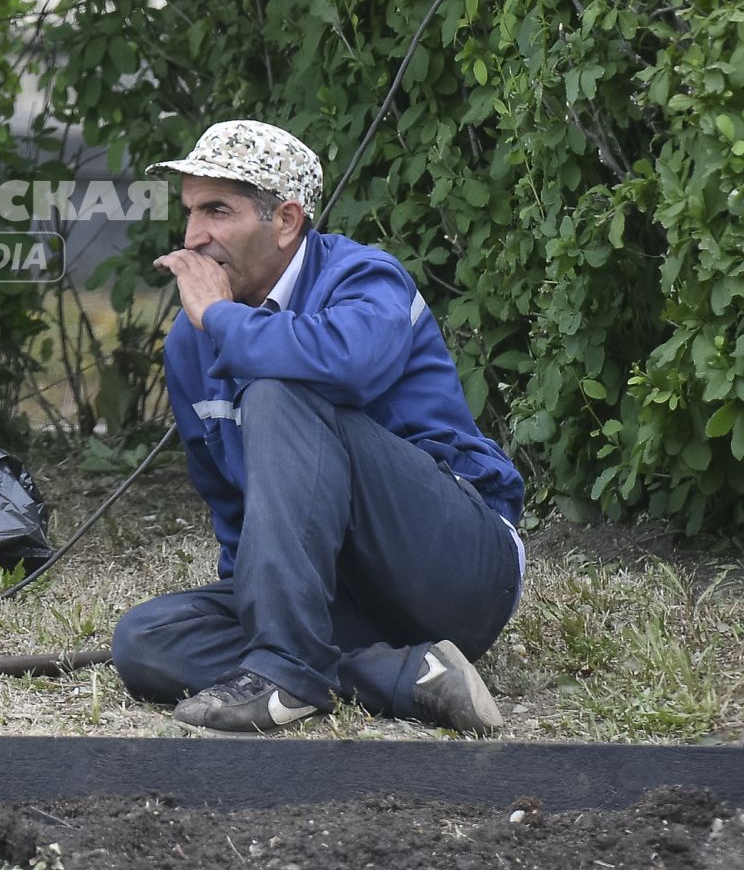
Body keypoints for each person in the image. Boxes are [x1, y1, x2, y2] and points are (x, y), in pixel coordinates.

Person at [111, 119, 524, 735]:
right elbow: (232, 508)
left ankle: (289, 670)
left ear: (286, 220)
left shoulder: (365, 277)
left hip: (455, 569)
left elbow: (348, 366)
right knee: (144, 639)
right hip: (337, 599)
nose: (194, 237)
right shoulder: (190, 343)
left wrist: (222, 319)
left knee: (279, 386)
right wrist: (261, 609)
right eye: (191, 212)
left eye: (218, 211)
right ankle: (396, 675)